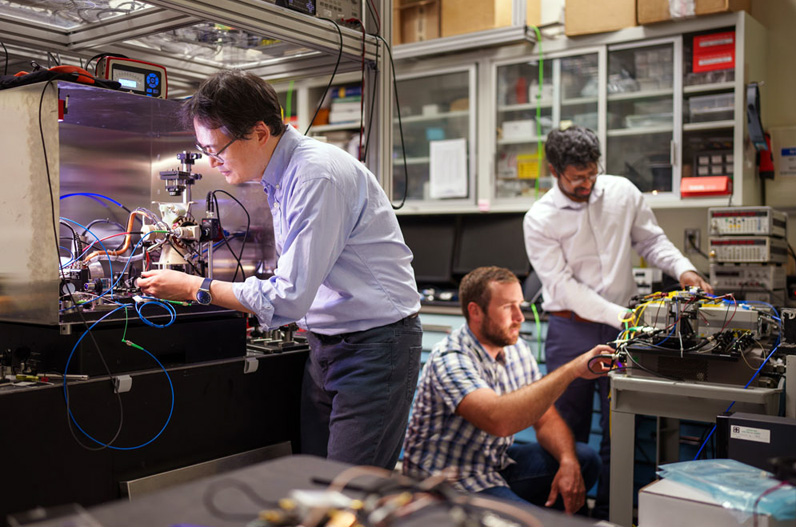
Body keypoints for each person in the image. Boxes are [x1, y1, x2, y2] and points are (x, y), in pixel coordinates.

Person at [137, 69, 422, 470]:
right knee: (313, 482)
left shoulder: (315, 175)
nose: (213, 163)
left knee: (351, 495)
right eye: (205, 151)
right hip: (328, 344)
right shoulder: (281, 174)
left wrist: (193, 287)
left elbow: (289, 295)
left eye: (218, 150)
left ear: (258, 132)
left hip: (375, 348)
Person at [522, 125, 713, 517]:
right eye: (577, 177)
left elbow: (651, 240)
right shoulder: (539, 218)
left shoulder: (623, 192)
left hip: (621, 327)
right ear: (554, 170)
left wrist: (685, 270)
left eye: (592, 173)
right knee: (565, 429)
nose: (587, 183)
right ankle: (562, 515)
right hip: (569, 327)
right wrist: (625, 316)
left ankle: (613, 514)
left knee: (620, 421)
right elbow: (564, 286)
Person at [402, 266, 614, 515]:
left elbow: (546, 419)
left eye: (519, 305)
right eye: (507, 307)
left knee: (583, 459)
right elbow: (498, 420)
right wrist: (573, 370)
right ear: (475, 311)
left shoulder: (516, 349)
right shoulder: (450, 358)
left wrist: (568, 462)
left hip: (492, 465)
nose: (519, 317)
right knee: (527, 521)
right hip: (448, 482)